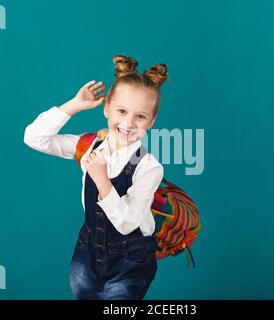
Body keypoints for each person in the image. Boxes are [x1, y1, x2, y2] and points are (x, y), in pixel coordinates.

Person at [23, 54, 168, 300]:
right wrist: (74, 105)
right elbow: (35, 138)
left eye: (140, 116)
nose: (128, 123)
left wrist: (102, 179)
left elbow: (127, 223)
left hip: (130, 259)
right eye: (121, 111)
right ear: (107, 108)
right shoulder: (90, 146)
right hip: (88, 251)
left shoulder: (148, 166)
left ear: (151, 121)